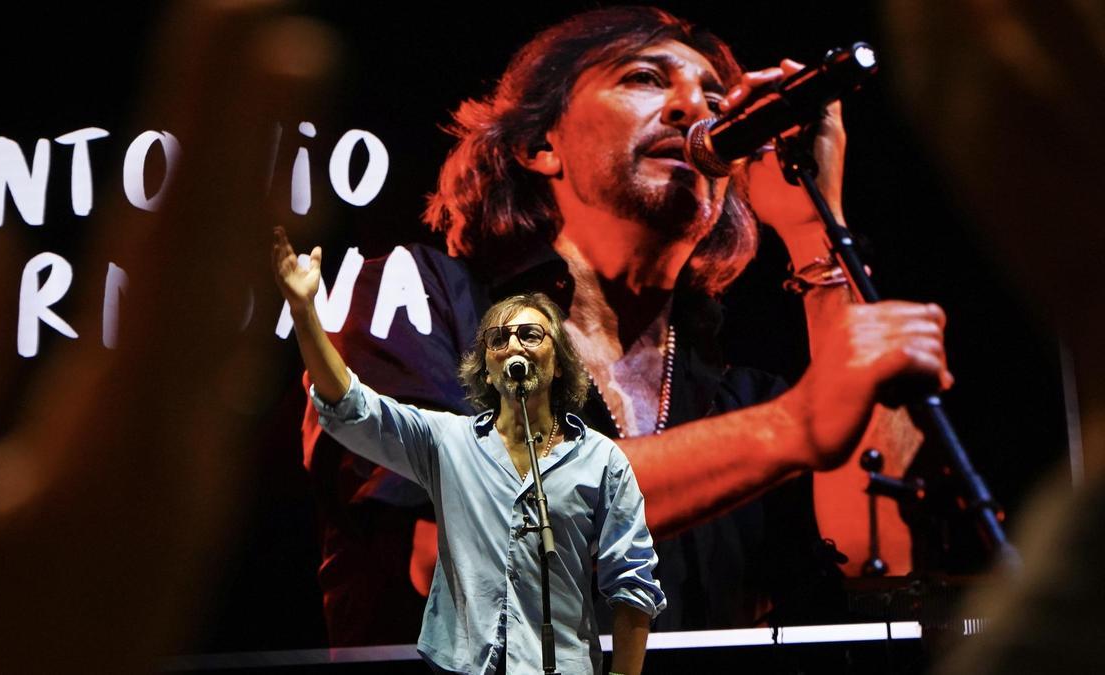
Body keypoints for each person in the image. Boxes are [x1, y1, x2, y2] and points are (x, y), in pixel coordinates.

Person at [296, 6, 952, 645]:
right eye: (644, 77)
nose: (693, 108)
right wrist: (793, 427)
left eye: (715, 98)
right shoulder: (417, 296)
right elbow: (446, 551)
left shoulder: (736, 400)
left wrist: (814, 227)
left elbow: (879, 576)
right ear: (538, 143)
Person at [274, 232, 665, 674]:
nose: (515, 346)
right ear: (486, 366)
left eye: (531, 335)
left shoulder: (601, 461)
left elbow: (633, 586)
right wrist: (305, 315)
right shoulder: (449, 443)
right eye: (500, 340)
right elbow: (353, 408)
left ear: (559, 362)